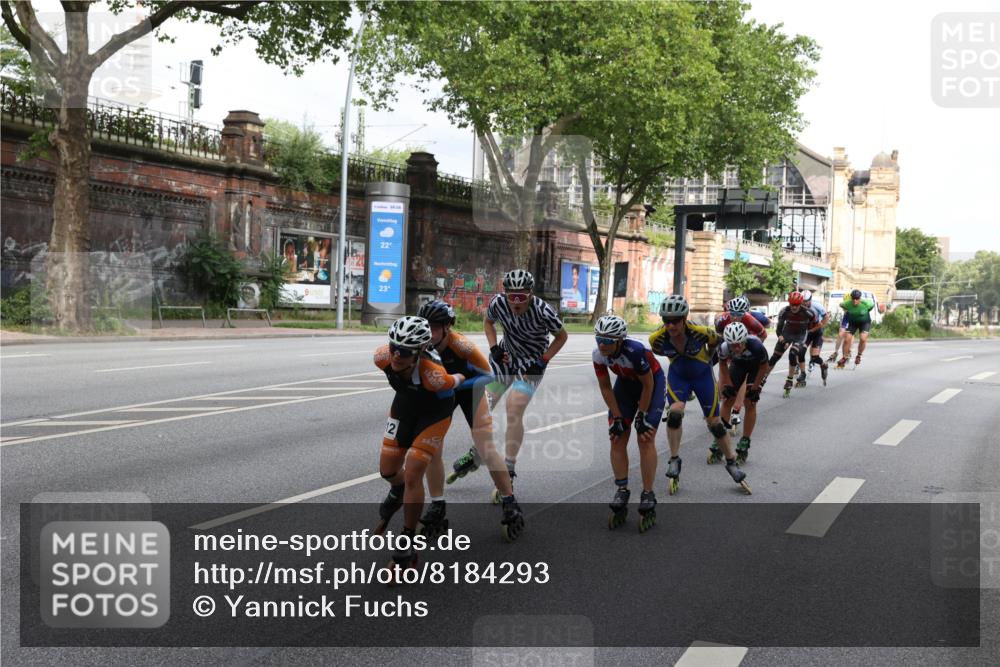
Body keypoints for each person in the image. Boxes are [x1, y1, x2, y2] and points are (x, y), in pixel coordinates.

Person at [450, 269, 568, 501]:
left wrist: (543, 360)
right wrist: (494, 347)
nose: (515, 302)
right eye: (511, 296)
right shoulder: (498, 303)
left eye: (521, 297)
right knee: (482, 405)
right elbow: (488, 322)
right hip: (505, 360)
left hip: (530, 366)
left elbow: (562, 337)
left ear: (530, 294)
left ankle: (509, 470)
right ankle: (479, 452)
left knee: (513, 409)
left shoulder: (543, 310)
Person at [419, 300, 524, 541]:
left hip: (471, 392)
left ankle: (509, 501)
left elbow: (488, 375)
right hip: (442, 394)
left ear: (447, 327)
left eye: (434, 327)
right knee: (432, 449)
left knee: (486, 447)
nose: (428, 332)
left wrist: (455, 384)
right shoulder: (420, 344)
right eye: (425, 326)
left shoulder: (462, 345)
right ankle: (437, 504)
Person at [373, 316, 464, 574]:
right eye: (394, 347)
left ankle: (407, 540)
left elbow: (456, 380)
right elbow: (392, 357)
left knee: (413, 471)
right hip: (405, 407)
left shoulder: (434, 374)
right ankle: (397, 489)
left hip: (435, 414)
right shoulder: (381, 357)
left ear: (420, 352)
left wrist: (463, 375)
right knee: (388, 471)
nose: (396, 355)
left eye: (404, 352)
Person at [649, 295, 750, 494]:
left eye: (675, 321)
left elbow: (716, 343)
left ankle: (731, 461)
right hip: (679, 377)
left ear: (684, 318)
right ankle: (674, 459)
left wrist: (706, 358)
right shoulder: (656, 339)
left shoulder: (701, 332)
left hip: (702, 377)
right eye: (666, 321)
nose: (670, 326)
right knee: (674, 414)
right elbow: (659, 351)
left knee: (715, 424)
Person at [592, 314, 664, 531]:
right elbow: (606, 387)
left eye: (607, 340)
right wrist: (617, 417)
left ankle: (648, 493)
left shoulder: (636, 351)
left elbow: (648, 385)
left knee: (645, 437)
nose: (602, 344)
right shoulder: (598, 355)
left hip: (651, 385)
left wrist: (641, 415)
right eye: (599, 339)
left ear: (620, 340)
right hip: (625, 386)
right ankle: (622, 490)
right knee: (616, 436)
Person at [717, 322, 770, 464]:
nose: (736, 348)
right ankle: (720, 437)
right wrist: (728, 384)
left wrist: (755, 388)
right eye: (733, 345)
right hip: (738, 365)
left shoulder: (756, 346)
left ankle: (745, 440)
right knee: (728, 399)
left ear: (744, 340)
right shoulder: (724, 347)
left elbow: (764, 367)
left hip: (756, 368)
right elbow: (723, 366)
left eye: (739, 344)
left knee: (750, 402)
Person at [714, 295, 768, 431]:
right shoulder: (722, 319)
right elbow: (718, 336)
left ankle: (736, 409)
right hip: (730, 346)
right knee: (725, 378)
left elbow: (763, 335)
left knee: (743, 379)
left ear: (745, 313)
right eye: (732, 313)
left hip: (746, 347)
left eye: (739, 314)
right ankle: (720, 403)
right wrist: (726, 349)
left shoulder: (750, 320)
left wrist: (752, 350)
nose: (735, 317)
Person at [769, 291, 820, 397]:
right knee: (774, 358)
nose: (794, 307)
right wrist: (783, 341)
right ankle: (762, 379)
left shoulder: (808, 313)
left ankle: (789, 379)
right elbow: (779, 330)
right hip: (787, 333)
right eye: (792, 304)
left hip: (800, 335)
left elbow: (816, 325)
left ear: (800, 303)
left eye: (796, 305)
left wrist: (810, 332)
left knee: (792, 354)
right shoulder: (784, 311)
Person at [838, 288, 876, 368]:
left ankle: (859, 355)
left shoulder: (866, 303)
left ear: (860, 298)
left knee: (863, 339)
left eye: (857, 299)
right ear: (851, 298)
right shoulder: (847, 303)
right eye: (853, 299)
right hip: (853, 322)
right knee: (847, 339)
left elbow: (872, 306)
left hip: (864, 322)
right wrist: (847, 310)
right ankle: (844, 357)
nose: (855, 300)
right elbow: (841, 304)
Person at [801, 290, 831, 385]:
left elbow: (826, 317)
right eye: (803, 301)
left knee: (814, 357)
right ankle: (802, 374)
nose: (804, 303)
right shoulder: (800, 306)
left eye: (806, 301)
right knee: (801, 352)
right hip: (807, 332)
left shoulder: (817, 306)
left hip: (817, 332)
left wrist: (820, 326)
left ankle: (823, 365)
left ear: (810, 300)